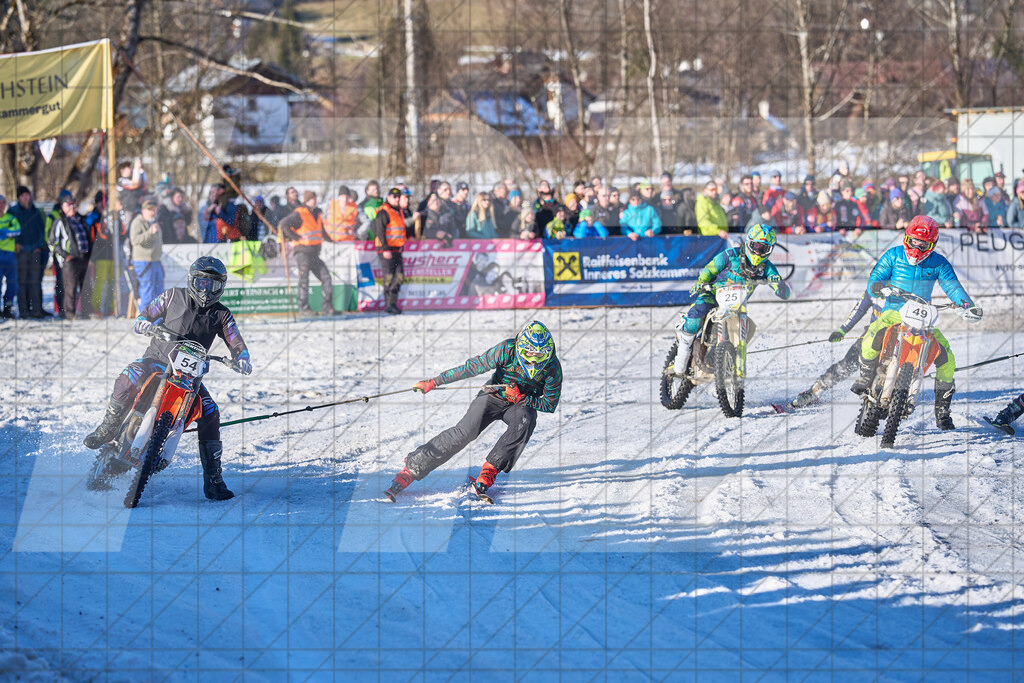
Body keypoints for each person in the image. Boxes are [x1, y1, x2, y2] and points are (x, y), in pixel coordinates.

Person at [83, 257, 252, 501]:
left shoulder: (222, 314)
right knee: (128, 377)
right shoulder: (172, 296)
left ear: (221, 287)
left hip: (189, 376)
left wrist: (242, 358)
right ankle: (107, 428)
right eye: (201, 283)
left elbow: (236, 341)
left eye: (212, 285)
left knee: (210, 412)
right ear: (192, 281)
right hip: (157, 362)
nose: (206, 290)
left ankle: (214, 480)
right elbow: (145, 316)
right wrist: (144, 324)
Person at [383, 320, 562, 502]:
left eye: (540, 354)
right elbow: (473, 366)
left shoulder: (553, 368)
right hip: (493, 396)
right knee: (464, 433)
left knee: (526, 420)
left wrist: (521, 398)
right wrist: (434, 381)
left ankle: (489, 470)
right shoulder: (507, 349)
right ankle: (412, 468)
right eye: (530, 352)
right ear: (521, 348)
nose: (534, 358)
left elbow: (550, 404)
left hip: (520, 405)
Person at [850, 215, 983, 430]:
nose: (917, 248)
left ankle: (942, 411)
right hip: (893, 312)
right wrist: (877, 286)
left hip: (923, 318)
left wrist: (966, 305)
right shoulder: (893, 255)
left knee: (947, 359)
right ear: (906, 238)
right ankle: (865, 378)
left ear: (932, 244)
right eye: (914, 241)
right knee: (871, 335)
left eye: (923, 244)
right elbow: (877, 275)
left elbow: (953, 287)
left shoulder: (939, 262)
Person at [665, 224, 791, 376]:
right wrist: (701, 282)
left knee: (749, 328)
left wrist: (779, 285)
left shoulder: (767, 268)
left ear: (769, 250)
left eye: (763, 248)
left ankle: (727, 369)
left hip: (737, 306)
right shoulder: (731, 254)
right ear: (749, 242)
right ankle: (682, 357)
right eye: (756, 246)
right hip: (713, 294)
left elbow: (783, 291)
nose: (758, 251)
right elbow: (710, 268)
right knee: (697, 313)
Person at [785, 291, 883, 409]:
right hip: (871, 334)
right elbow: (859, 309)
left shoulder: (902, 285)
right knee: (847, 364)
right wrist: (842, 330)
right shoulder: (873, 288)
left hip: (897, 335)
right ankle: (814, 392)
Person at [278, 190, 338, 316]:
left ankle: (327, 307)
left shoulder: (317, 214)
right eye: (311, 199)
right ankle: (304, 308)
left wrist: (333, 240)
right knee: (304, 280)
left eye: (315, 198)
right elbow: (283, 224)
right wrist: (296, 237)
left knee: (326, 277)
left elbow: (322, 232)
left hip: (314, 254)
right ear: (306, 201)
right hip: (302, 253)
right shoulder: (300, 213)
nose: (314, 201)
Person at [49, 191, 93, 320]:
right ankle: (69, 313)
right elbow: (52, 242)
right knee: (70, 288)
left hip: (84, 258)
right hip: (70, 261)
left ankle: (86, 313)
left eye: (73, 205)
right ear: (63, 207)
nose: (72, 208)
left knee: (86, 287)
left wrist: (90, 256)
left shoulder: (81, 220)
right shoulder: (60, 222)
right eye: (69, 205)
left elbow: (87, 239)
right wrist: (65, 255)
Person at [10, 186, 47, 318]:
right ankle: (23, 311)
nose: (26, 198)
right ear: (19, 198)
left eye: (27, 195)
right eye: (23, 196)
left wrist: (39, 246)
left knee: (35, 282)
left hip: (35, 251)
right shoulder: (13, 212)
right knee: (22, 282)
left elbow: (42, 231)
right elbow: (9, 231)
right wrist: (15, 243)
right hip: (21, 252)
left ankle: (36, 310)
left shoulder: (35, 211)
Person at [370, 187, 408, 315]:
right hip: (386, 250)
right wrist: (385, 249)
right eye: (394, 197)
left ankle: (392, 303)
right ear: (388, 197)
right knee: (389, 277)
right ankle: (389, 304)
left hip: (397, 249)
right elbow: (379, 231)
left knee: (400, 276)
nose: (397, 199)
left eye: (398, 197)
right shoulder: (384, 211)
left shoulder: (399, 211)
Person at [83, 191, 117, 317]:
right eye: (101, 204)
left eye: (106, 204)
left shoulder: (112, 217)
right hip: (100, 256)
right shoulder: (94, 218)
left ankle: (110, 307)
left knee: (113, 283)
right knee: (100, 283)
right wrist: (92, 257)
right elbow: (94, 239)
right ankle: (95, 307)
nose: (104, 206)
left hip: (113, 255)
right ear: (96, 204)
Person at [130, 197, 165, 309]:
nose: (152, 212)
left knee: (160, 294)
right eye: (149, 209)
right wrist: (150, 232)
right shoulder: (137, 222)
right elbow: (134, 240)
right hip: (144, 263)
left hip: (156, 262)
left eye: (154, 209)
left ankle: (158, 317)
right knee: (147, 294)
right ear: (143, 211)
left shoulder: (154, 222)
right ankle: (145, 318)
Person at [0, 194, 20, 318]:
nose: (1, 205)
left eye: (3, 203)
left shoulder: (11, 218)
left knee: (12, 283)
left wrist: (4, 232)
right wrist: (8, 233)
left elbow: (17, 230)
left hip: (10, 256)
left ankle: (7, 308)